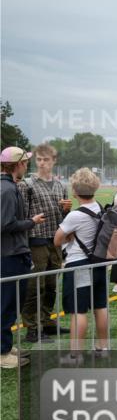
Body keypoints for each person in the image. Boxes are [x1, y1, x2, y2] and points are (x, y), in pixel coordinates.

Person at [54, 167, 110, 363]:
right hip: (99, 263)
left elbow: (57, 240)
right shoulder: (101, 208)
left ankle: (75, 355)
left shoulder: (75, 216)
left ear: (75, 192)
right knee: (100, 306)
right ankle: (103, 347)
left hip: (79, 264)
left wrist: (69, 235)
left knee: (78, 311)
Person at [19, 143, 71, 342]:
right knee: (35, 286)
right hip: (35, 240)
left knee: (51, 285)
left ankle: (47, 322)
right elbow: (22, 214)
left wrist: (66, 209)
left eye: (46, 160)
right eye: (39, 160)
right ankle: (32, 328)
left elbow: (63, 216)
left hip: (55, 240)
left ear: (54, 161)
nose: (42, 163)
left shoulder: (60, 185)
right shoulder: (27, 184)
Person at [1, 148, 44, 368]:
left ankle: (5, 346)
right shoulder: (7, 189)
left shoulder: (9, 186)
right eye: (25, 162)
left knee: (9, 304)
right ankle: (2, 352)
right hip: (10, 255)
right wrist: (31, 222)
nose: (27, 165)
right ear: (17, 164)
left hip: (10, 253)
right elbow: (5, 224)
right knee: (7, 305)